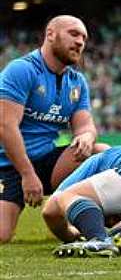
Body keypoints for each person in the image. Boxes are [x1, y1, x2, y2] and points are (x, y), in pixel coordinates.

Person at [0, 15, 106, 243]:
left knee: (100, 151)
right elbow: (5, 126)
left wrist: (86, 136)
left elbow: (85, 124)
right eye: (73, 34)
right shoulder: (21, 70)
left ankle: (109, 225)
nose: (80, 42)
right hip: (8, 166)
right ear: (50, 34)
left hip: (47, 162)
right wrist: (27, 175)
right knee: (1, 235)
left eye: (84, 38)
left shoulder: (77, 82)